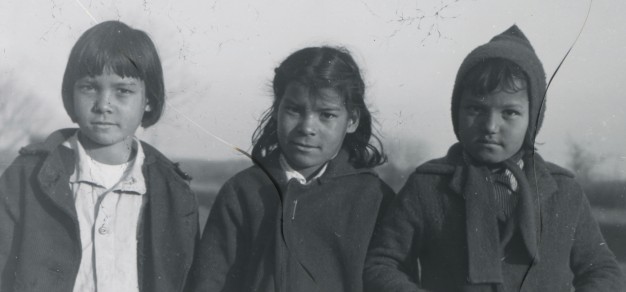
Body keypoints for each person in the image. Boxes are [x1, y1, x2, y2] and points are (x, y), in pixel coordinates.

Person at [364, 25, 625, 292]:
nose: (490, 125)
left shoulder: (564, 191)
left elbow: (602, 270)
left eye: (509, 113)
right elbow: (382, 264)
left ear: (532, 118)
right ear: (457, 111)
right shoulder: (428, 186)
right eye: (476, 108)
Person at [0, 21, 198, 292]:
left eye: (123, 91)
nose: (104, 105)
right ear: (71, 93)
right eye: (89, 87)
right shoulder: (26, 176)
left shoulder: (174, 191)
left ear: (149, 99)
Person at [187, 46, 394, 292]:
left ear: (351, 120)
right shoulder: (242, 191)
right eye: (294, 110)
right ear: (276, 111)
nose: (307, 127)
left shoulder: (373, 198)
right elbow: (208, 282)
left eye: (326, 115)